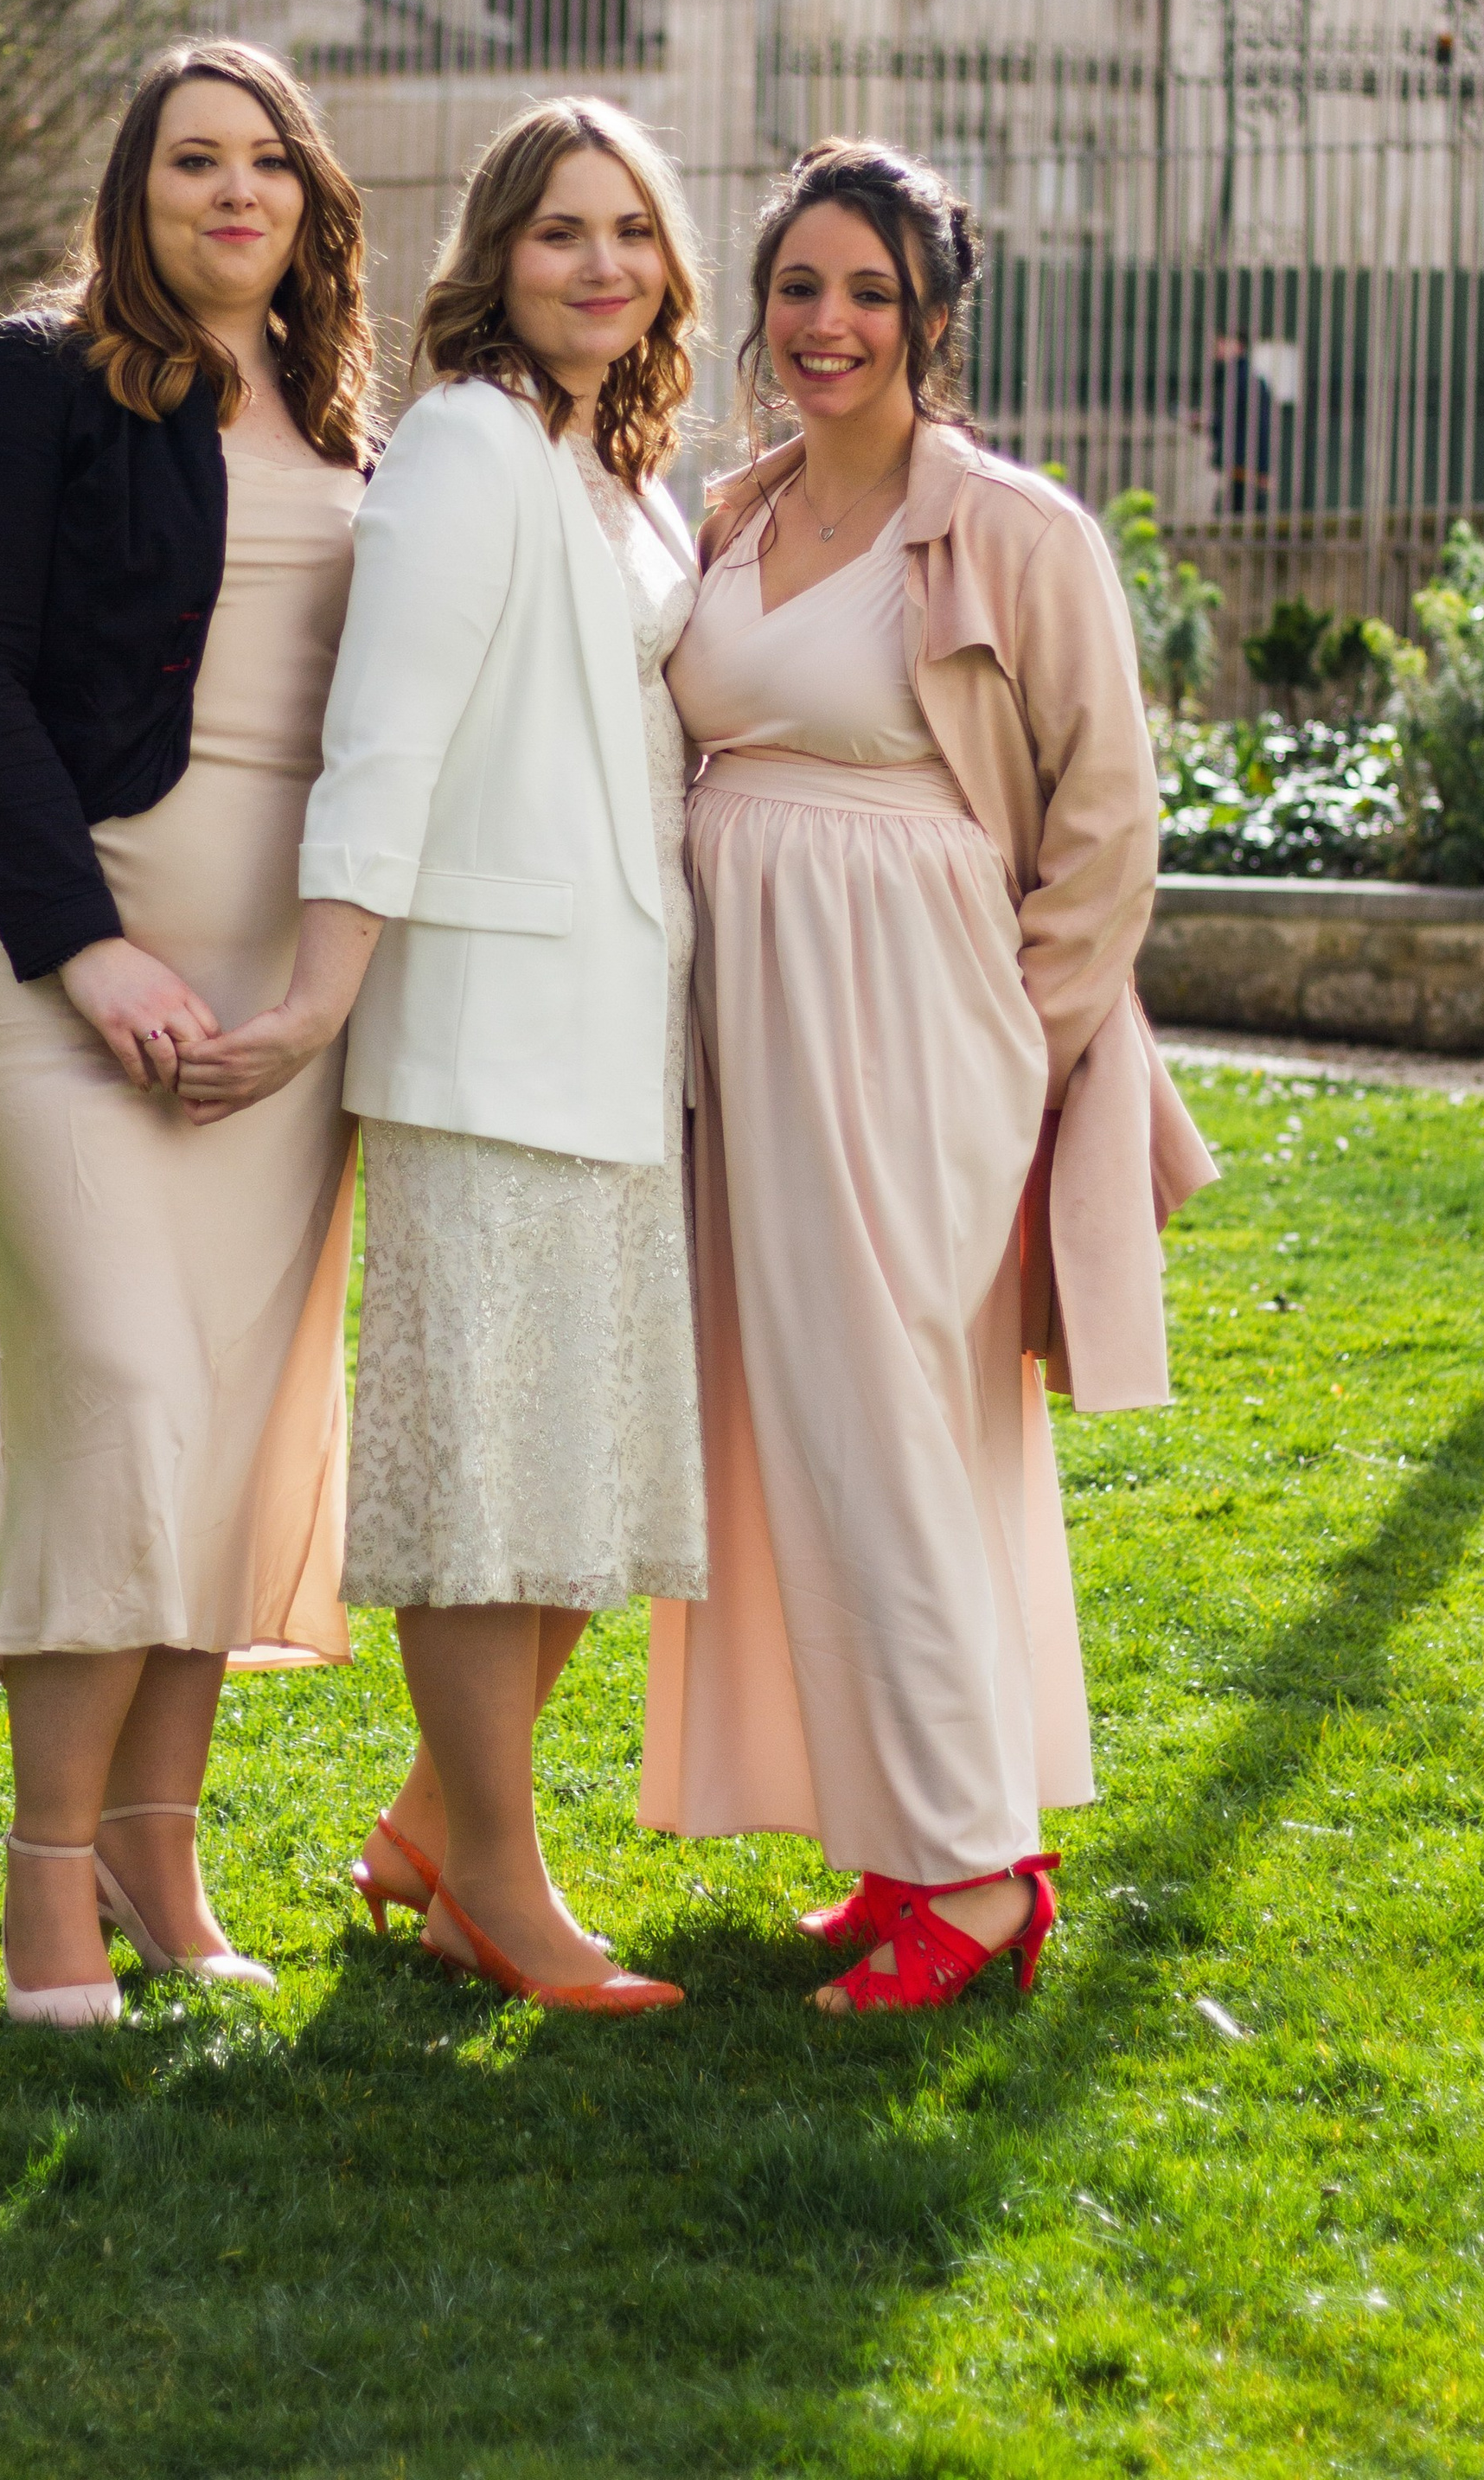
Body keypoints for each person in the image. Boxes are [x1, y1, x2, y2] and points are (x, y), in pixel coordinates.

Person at [639, 138, 1216, 2014]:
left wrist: (1027, 1052)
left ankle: (975, 1878)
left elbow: (1107, 821)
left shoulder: (1013, 533)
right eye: (799, 286)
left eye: (868, 292)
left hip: (925, 1024)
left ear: (932, 318)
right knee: (799, 1421)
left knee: (890, 1414)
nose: (825, 324)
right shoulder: (727, 513)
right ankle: (902, 1835)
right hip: (755, 1018)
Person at [178, 99, 705, 2015]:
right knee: (493, 1488)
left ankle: (421, 1822)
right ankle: (494, 1879)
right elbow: (380, 739)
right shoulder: (470, 452)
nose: (598, 265)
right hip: (487, 1041)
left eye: (629, 233)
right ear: (494, 257)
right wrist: (322, 995)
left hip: (620, 1033)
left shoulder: (617, 468)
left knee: (576, 1475)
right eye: (560, 231)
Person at [0, 38, 376, 2027]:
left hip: (282, 1014)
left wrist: (313, 994)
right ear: (134, 188)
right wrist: (87, 952)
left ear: (308, 200)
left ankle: (161, 1864)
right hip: (63, 971)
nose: (233, 194)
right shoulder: (37, 382)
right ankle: (40, 1884)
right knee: (120, 1396)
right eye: (193, 161)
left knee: (235, 1430)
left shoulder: (359, 425)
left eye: (267, 163)